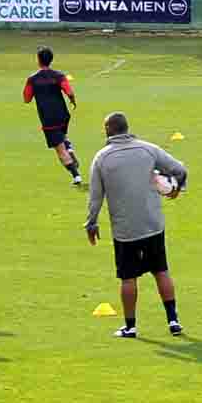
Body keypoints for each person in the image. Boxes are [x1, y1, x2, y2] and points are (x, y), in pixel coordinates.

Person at [84, 111, 186, 339]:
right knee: (161, 271)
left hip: (125, 229)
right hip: (152, 223)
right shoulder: (148, 149)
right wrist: (177, 189)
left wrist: (91, 223)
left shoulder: (102, 157)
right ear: (127, 128)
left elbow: (96, 196)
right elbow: (179, 169)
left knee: (128, 278)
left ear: (108, 130)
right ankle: (173, 321)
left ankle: (130, 326)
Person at [23, 46, 81, 185]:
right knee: (61, 135)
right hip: (63, 115)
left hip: (48, 119)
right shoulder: (59, 75)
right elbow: (69, 91)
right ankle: (69, 146)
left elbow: (26, 99)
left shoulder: (32, 79)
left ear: (38, 60)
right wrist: (72, 101)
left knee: (60, 150)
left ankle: (76, 176)